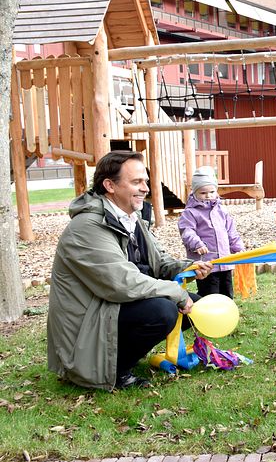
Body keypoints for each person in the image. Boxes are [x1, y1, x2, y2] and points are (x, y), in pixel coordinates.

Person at [47, 151, 212, 391]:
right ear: (109, 185)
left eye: (145, 181)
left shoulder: (130, 218)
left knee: (195, 307)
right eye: (136, 182)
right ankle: (113, 371)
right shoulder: (87, 227)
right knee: (164, 310)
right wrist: (175, 292)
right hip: (89, 323)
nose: (145, 188)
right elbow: (121, 282)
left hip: (112, 305)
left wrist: (189, 267)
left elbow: (158, 262)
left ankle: (122, 355)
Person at [178, 166, 245, 298]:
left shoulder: (222, 211)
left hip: (225, 262)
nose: (208, 195)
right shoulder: (190, 213)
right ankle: (208, 317)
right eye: (203, 193)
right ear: (194, 192)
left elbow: (231, 231)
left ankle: (226, 316)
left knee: (227, 293)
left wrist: (238, 247)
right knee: (210, 294)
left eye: (211, 192)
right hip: (206, 265)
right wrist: (197, 244)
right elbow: (187, 231)